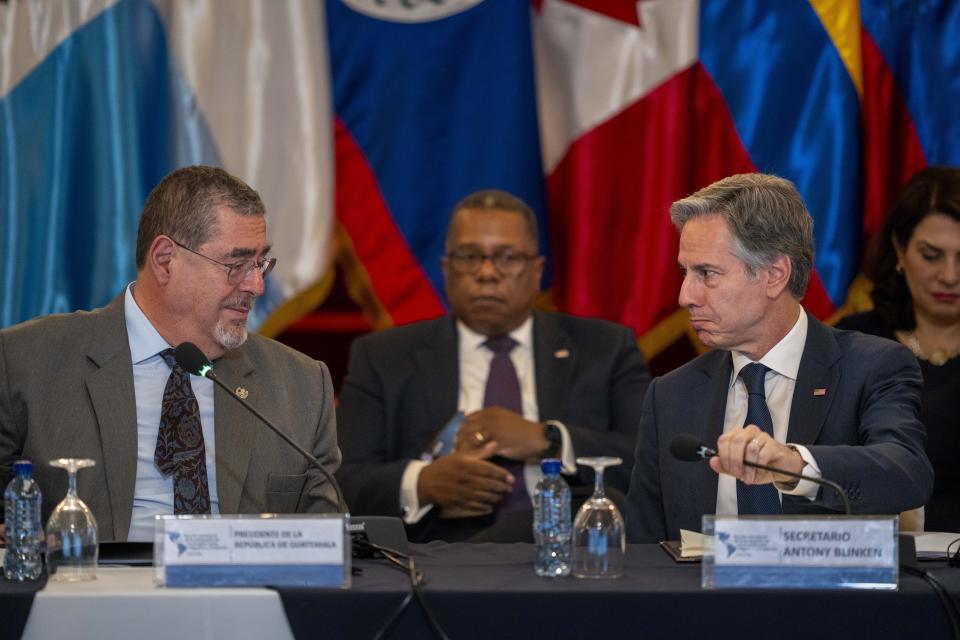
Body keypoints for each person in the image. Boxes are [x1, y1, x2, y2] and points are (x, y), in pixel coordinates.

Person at [0, 165, 341, 541]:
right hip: (89, 591)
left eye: (260, 263)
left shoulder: (303, 385)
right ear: (165, 260)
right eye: (236, 265)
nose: (257, 284)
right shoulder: (23, 362)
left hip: (243, 595)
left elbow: (325, 542)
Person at [626, 173, 933, 543]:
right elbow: (644, 549)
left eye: (706, 273)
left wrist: (796, 466)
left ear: (774, 275)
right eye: (685, 272)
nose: (685, 296)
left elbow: (907, 473)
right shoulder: (671, 394)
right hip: (700, 600)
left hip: (828, 600)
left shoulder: (872, 367)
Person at [336, 189, 650, 542]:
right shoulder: (383, 357)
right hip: (438, 554)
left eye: (507, 257)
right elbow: (343, 478)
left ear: (537, 270)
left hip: (569, 548)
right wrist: (422, 483)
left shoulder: (605, 348)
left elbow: (648, 463)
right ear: (446, 269)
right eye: (469, 257)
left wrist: (548, 440)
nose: (487, 273)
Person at [837, 166, 960, 532]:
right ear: (899, 250)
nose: (950, 275)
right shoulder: (853, 343)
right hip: (875, 561)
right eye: (931, 255)